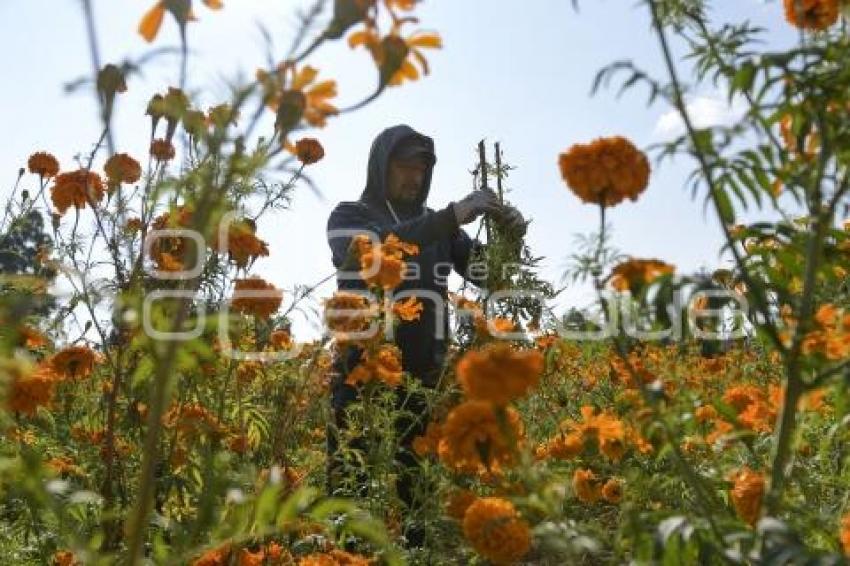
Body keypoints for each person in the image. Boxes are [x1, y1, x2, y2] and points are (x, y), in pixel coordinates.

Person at [324, 124, 525, 544]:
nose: (414, 177)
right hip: (362, 374)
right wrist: (450, 217)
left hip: (423, 380)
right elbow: (369, 250)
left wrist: (511, 236)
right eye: (403, 166)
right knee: (350, 496)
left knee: (418, 504)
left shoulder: (442, 230)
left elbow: (492, 277)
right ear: (381, 166)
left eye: (421, 168)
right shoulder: (350, 215)